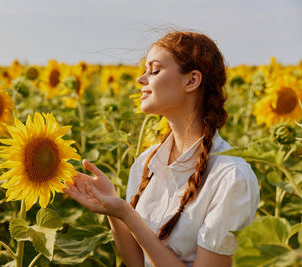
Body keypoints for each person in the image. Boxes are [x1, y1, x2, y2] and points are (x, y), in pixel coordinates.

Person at [62, 30, 260, 267]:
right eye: (144, 70)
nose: (141, 79)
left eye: (154, 70)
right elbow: (137, 262)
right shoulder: (146, 163)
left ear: (191, 81)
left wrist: (127, 214)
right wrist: (112, 207)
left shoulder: (231, 177)